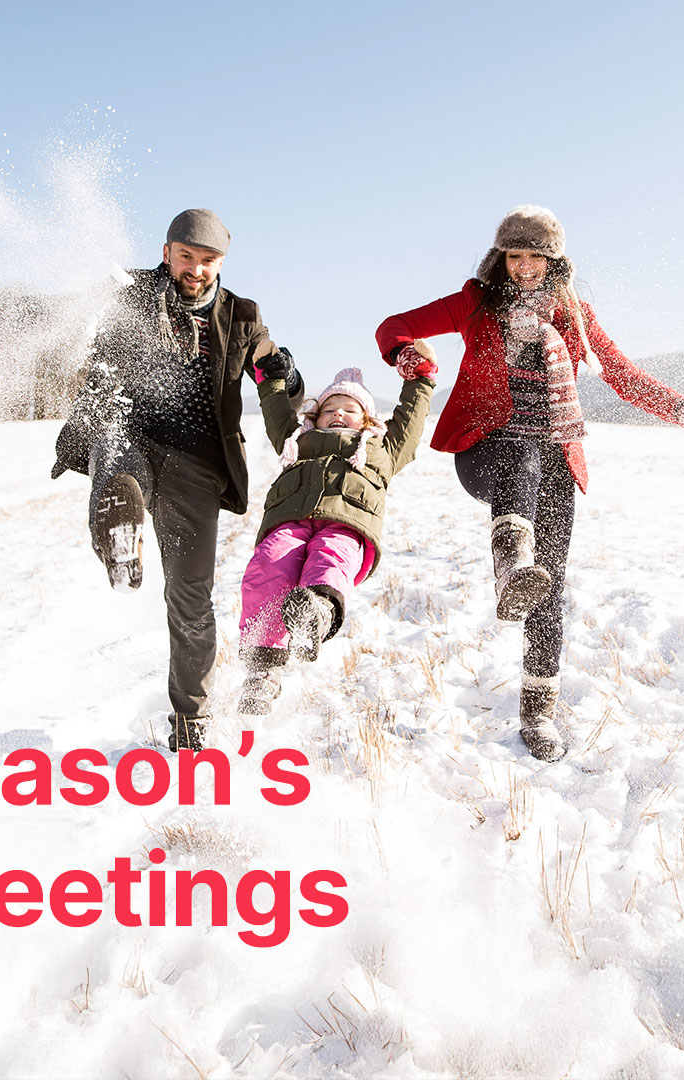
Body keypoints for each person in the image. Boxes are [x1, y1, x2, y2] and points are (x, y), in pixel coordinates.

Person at [375, 205, 684, 762]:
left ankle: (538, 711)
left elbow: (623, 376)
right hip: (486, 449)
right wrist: (409, 359)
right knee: (523, 452)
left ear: (555, 261)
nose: (524, 266)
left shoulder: (575, 316)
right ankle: (510, 564)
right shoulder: (475, 302)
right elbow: (394, 326)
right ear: (500, 259)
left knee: (550, 585)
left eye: (536, 257)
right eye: (514, 256)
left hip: (555, 459)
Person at [50, 209, 304, 752]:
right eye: (186, 256)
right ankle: (118, 536)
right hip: (133, 433)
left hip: (198, 464)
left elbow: (273, 380)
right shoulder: (131, 294)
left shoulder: (242, 317)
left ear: (221, 263)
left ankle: (191, 725)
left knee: (190, 598)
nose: (196, 269)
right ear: (166, 253)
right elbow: (60, 318)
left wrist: (288, 380)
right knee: (115, 453)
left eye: (208, 260)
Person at [236, 351, 437, 714]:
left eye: (349, 409)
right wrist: (270, 379)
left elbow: (409, 420)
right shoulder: (298, 440)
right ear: (315, 416)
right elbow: (276, 413)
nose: (338, 414)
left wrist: (421, 378)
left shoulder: (381, 448)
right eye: (329, 409)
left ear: (367, 419)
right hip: (291, 521)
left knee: (330, 558)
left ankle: (316, 614)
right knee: (269, 564)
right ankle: (262, 669)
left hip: (345, 525)